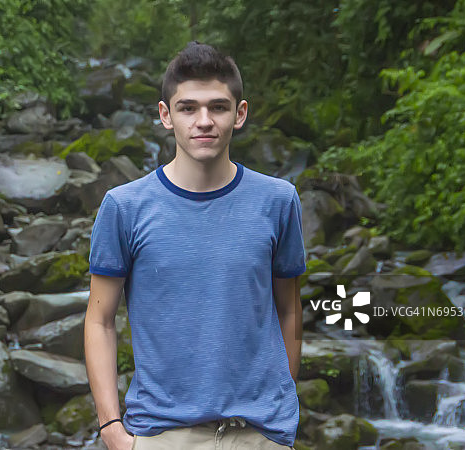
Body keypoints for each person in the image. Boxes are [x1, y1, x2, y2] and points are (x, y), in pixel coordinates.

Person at [84, 42, 305, 450]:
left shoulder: (278, 201)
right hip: (162, 435)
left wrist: (280, 413)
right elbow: (99, 321)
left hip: (259, 436)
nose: (203, 121)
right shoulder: (124, 207)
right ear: (166, 116)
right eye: (188, 108)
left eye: (218, 107)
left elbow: (289, 308)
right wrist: (112, 429)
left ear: (239, 114)